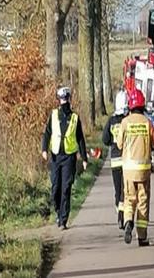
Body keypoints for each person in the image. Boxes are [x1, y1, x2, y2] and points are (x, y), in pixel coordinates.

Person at [41, 86, 88, 230]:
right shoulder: (54, 115)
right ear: (59, 100)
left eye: (65, 99)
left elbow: (80, 138)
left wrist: (84, 158)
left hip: (69, 157)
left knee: (66, 188)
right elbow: (47, 133)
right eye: (62, 99)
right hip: (55, 156)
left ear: (69, 99)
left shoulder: (74, 118)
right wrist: (44, 149)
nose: (64, 102)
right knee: (56, 188)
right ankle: (58, 211)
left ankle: (63, 219)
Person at [116, 88, 154, 246]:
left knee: (129, 200)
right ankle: (142, 237)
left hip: (128, 170)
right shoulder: (148, 123)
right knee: (143, 201)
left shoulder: (125, 122)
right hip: (144, 171)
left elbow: (119, 144)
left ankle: (128, 222)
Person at [102, 88, 129, 229]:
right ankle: (123, 215)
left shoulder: (111, 121)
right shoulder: (128, 120)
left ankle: (119, 213)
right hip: (127, 160)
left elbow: (105, 139)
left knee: (117, 190)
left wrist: (113, 143)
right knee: (126, 190)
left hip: (115, 161)